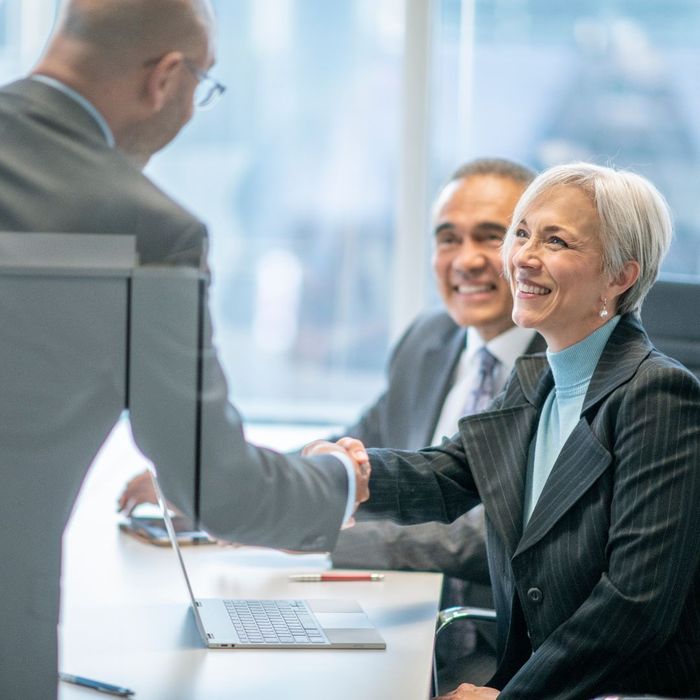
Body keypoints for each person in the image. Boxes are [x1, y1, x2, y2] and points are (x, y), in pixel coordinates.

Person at [0, 2, 367, 698]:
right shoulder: (147, 229)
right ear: (167, 76)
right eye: (205, 82)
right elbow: (218, 489)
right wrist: (341, 483)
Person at [308, 163, 700, 699]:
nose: (522, 257)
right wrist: (346, 474)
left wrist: (514, 697)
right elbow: (446, 473)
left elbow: (635, 604)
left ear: (620, 276)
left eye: (555, 240)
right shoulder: (536, 378)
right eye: (521, 232)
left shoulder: (656, 395)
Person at [329, 158, 544, 686]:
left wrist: (310, 529)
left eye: (490, 237)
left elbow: (478, 535)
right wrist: (225, 489)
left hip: (501, 654)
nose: (466, 260)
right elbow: (354, 449)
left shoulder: (567, 363)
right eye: (448, 238)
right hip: (395, 614)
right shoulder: (430, 338)